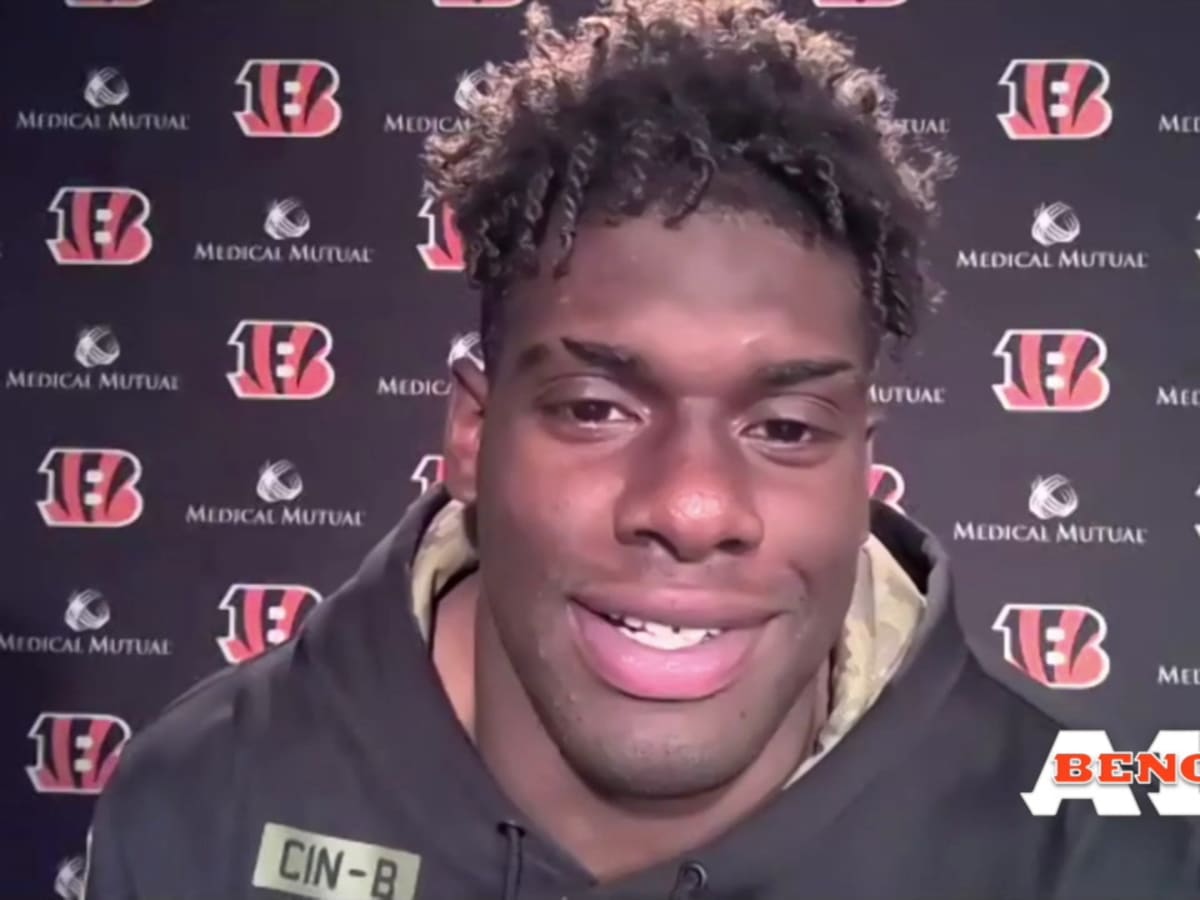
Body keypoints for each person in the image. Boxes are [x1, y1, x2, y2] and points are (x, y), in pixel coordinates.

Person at [85, 2, 1199, 898]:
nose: (695, 505)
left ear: (865, 464)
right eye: (594, 408)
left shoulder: (1103, 848)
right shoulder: (205, 795)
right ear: (472, 435)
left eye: (786, 428)